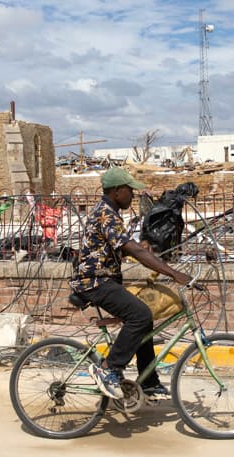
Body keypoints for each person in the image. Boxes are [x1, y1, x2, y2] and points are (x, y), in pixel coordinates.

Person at [70, 167, 191, 400]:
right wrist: (173, 273)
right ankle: (108, 369)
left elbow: (122, 247)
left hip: (104, 279)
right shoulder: (105, 214)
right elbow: (131, 248)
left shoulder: (110, 213)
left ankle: (148, 381)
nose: (133, 195)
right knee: (140, 315)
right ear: (117, 191)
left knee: (144, 320)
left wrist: (144, 250)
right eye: (129, 190)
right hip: (95, 282)